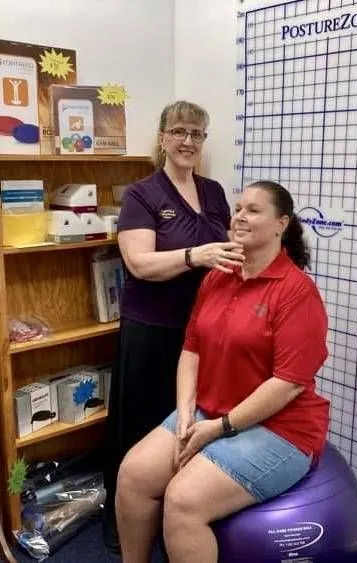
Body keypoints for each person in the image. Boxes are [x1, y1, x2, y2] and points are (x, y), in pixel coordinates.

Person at [115, 180, 331, 563]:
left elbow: (287, 386)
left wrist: (218, 429)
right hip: (208, 412)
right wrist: (184, 414)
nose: (240, 217)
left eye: (253, 209)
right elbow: (191, 350)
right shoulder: (218, 276)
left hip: (281, 429)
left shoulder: (297, 292)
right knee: (133, 474)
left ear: (282, 223)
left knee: (182, 500)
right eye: (237, 208)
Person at [102, 100, 245, 552]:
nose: (189, 142)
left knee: (189, 423)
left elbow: (232, 246)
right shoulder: (142, 194)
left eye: (198, 134)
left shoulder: (215, 191)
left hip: (203, 332)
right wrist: (194, 255)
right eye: (180, 131)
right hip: (153, 330)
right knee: (141, 429)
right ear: (163, 136)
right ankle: (122, 522)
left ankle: (175, 520)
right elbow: (139, 263)